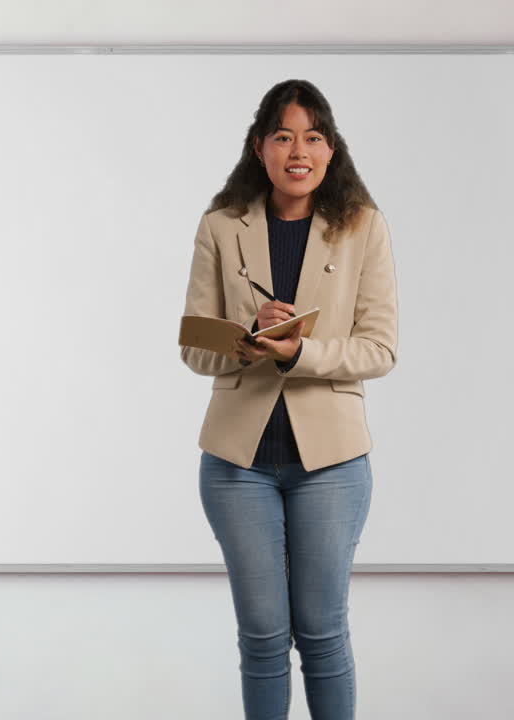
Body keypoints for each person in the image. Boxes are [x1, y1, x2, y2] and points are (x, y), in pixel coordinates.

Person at [178, 78, 398, 720]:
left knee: (324, 636)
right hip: (236, 464)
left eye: (312, 136)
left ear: (330, 150)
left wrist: (299, 351)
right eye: (282, 136)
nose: (297, 150)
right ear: (259, 148)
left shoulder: (363, 227)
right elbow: (195, 346)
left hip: (331, 465)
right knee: (263, 638)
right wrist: (248, 341)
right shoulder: (221, 226)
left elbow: (379, 349)